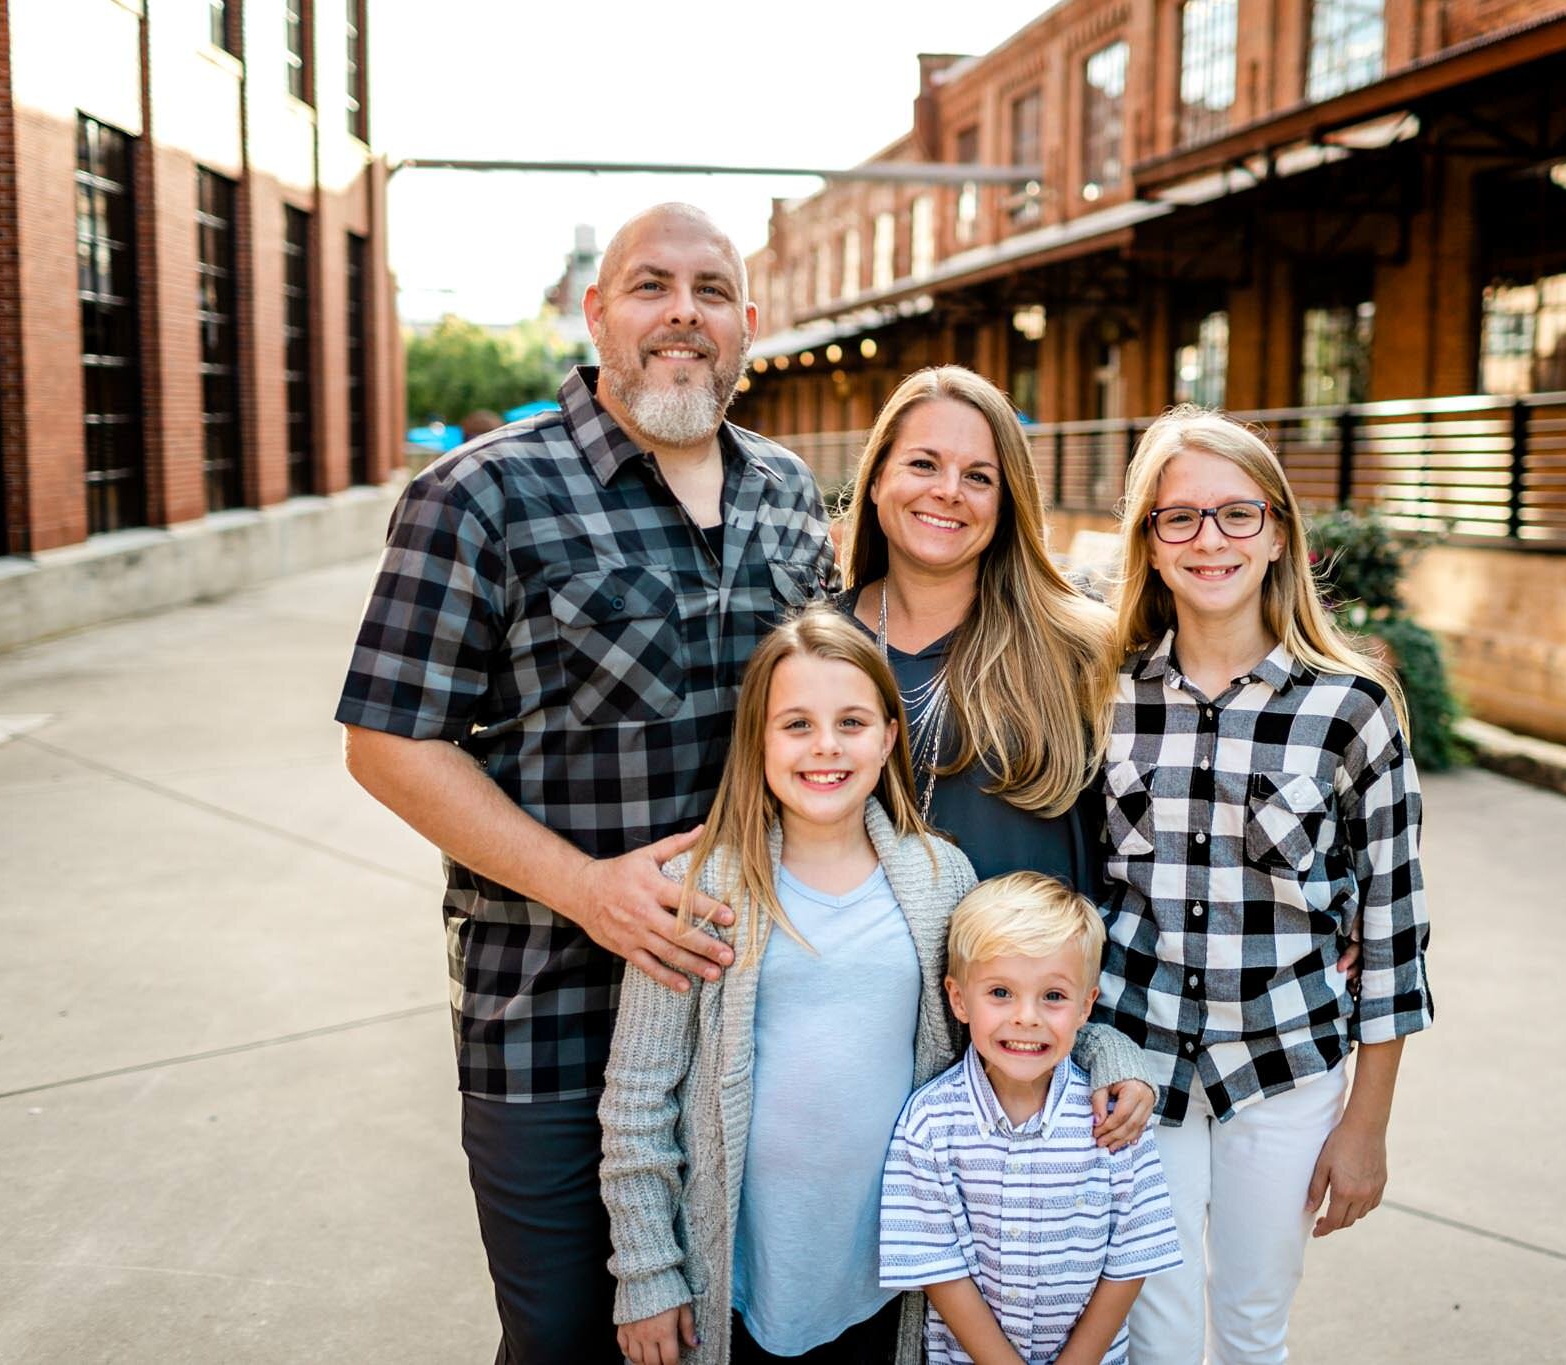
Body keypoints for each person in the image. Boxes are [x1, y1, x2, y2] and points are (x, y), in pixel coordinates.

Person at [335, 202, 835, 1364]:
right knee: (566, 1337)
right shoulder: (479, 496)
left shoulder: (786, 492)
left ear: (747, 325)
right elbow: (387, 741)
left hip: (750, 1009)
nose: (683, 314)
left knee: (739, 1325)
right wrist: (585, 888)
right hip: (550, 1017)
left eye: (711, 291)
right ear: (596, 310)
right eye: (650, 286)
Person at [600, 609, 1156, 1365]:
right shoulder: (698, 887)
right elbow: (638, 1094)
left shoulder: (935, 877)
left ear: (889, 735)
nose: (826, 746)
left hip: (889, 1275)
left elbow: (1005, 1004)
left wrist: (1110, 1056)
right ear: (758, 738)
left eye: (852, 721)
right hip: (740, 1277)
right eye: (796, 723)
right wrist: (646, 1275)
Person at [1091, 407, 1435, 1365]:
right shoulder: (1102, 695)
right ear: (1149, 545)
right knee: (1147, 1332)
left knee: (1249, 1325)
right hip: (1138, 1067)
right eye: (1180, 518)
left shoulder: (1352, 707)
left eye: (1237, 514)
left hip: (1284, 1068)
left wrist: (1366, 1125)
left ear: (1278, 532)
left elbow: (1395, 934)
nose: (1211, 539)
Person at [879, 873, 1183, 1365]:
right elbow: (937, 1266)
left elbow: (1132, 1256)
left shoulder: (1114, 1119)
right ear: (959, 999)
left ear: (1087, 1005)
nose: (1027, 1017)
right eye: (1000, 992)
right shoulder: (930, 1123)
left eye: (1054, 997)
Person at [835, 366, 1114, 889]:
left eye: (979, 476)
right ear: (876, 479)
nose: (948, 491)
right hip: (874, 969)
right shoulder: (817, 650)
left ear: (1006, 503)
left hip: (1039, 966)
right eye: (923, 464)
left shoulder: (1079, 643)